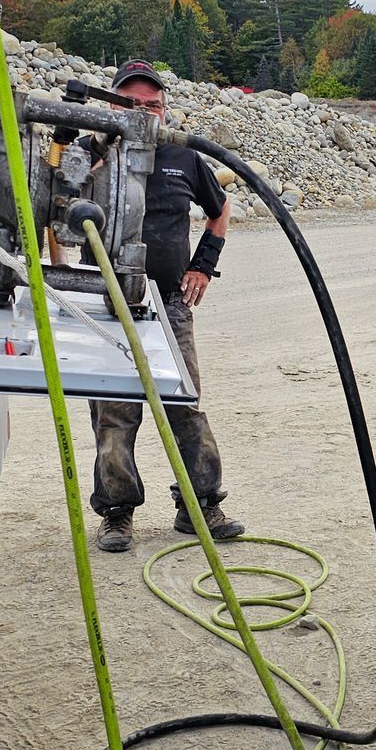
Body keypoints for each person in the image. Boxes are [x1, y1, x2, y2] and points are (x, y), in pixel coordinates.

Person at [87, 60, 245, 551]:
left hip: (170, 303)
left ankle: (200, 505)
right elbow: (54, 216)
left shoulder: (183, 154)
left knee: (186, 404)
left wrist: (203, 266)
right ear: (112, 106)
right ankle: (117, 512)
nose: (142, 112)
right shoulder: (91, 153)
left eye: (151, 105)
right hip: (108, 304)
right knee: (115, 412)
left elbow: (219, 213)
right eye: (131, 104)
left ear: (165, 108)